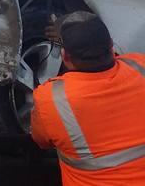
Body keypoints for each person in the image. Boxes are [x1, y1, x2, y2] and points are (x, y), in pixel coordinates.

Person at [31, 11, 145, 185]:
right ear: (111, 45)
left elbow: (41, 141)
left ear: (65, 56)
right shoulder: (139, 65)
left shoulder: (50, 100)